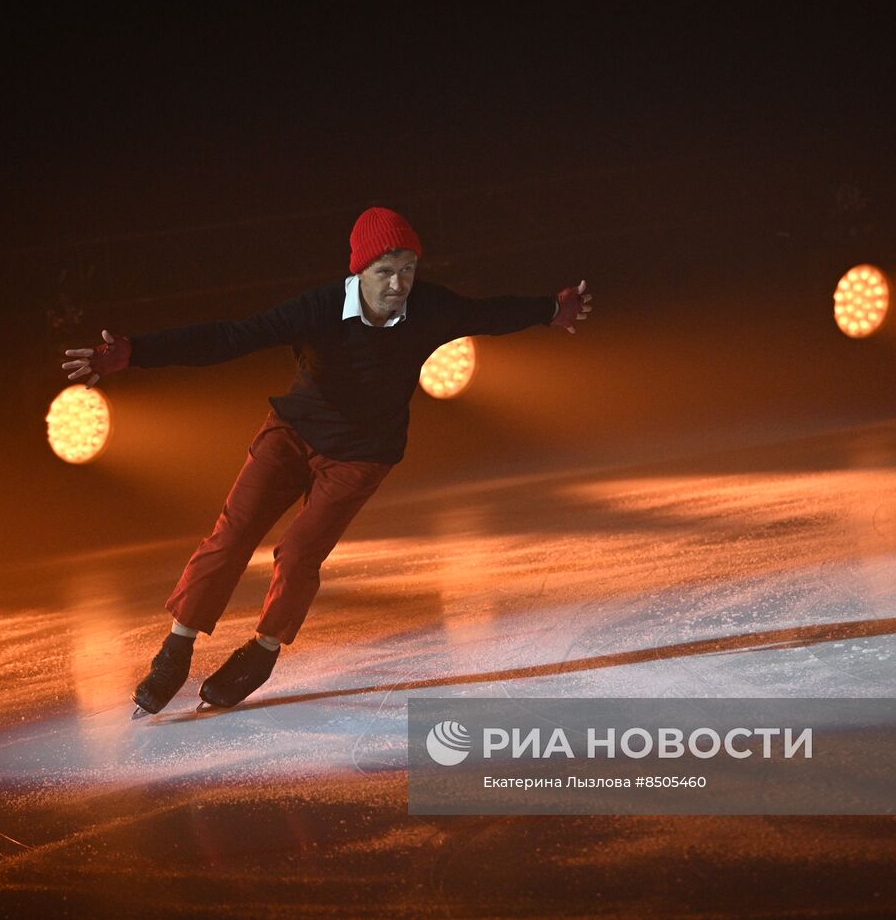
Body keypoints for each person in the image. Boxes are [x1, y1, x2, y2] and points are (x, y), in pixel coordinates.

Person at [62, 207, 593, 716]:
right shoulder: (317, 308)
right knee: (233, 532)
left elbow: (491, 313)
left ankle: (263, 652)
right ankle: (176, 649)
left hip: (361, 457)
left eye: (408, 270)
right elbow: (229, 337)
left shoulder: (431, 308)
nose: (398, 284)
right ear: (359, 270)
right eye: (386, 271)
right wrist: (136, 352)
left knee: (297, 555)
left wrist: (551, 308)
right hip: (292, 435)